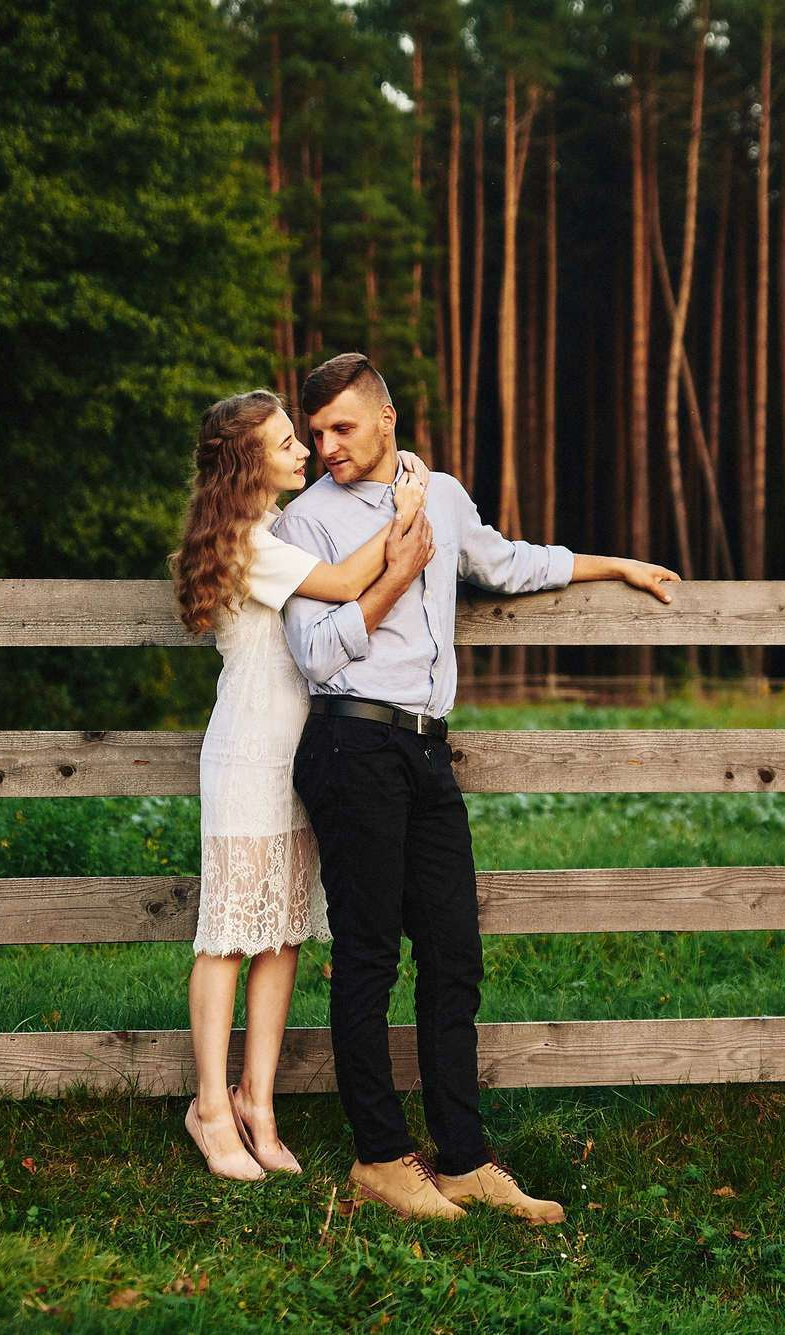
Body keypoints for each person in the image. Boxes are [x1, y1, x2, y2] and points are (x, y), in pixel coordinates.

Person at [275, 352, 679, 1223]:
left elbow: (511, 564)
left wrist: (619, 566)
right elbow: (315, 655)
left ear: (387, 419)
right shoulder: (303, 522)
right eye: (315, 433)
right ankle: (381, 1157)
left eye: (342, 427)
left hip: (426, 754)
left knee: (455, 955)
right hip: (352, 745)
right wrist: (394, 568)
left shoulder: (444, 494)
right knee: (370, 958)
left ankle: (463, 1158)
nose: (327, 446)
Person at [169, 388, 435, 1181]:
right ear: (250, 458)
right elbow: (352, 578)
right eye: (288, 441)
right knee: (227, 938)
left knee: (281, 935)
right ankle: (210, 1108)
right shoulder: (252, 541)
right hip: (249, 757)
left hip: (302, 760)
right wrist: (407, 504)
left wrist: (395, 488)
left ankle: (260, 1101)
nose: (304, 451)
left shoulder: (272, 531)